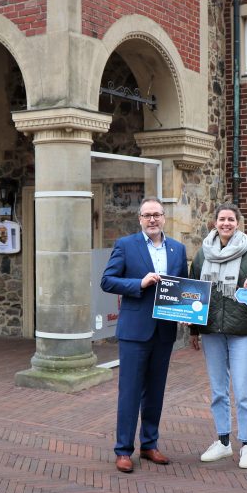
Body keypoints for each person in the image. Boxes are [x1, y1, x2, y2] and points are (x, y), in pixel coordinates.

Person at [101, 197, 188, 473]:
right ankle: (123, 450)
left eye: (157, 214)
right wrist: (139, 283)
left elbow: (182, 287)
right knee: (129, 392)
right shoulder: (126, 246)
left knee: (156, 392)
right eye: (147, 215)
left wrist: (188, 315)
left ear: (164, 218)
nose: (152, 219)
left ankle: (149, 445)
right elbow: (107, 280)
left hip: (164, 332)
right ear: (139, 219)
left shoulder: (178, 248)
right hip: (135, 332)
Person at [189, 203, 247, 469]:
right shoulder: (202, 253)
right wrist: (194, 330)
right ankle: (223, 442)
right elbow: (193, 292)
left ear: (238, 223)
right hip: (211, 329)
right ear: (215, 222)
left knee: (243, 390)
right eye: (222, 219)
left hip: (243, 330)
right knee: (218, 390)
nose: (226, 223)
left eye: (231, 219)